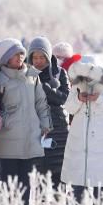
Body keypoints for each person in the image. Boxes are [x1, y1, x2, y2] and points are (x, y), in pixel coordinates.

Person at [0, 38, 51, 205]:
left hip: (31, 139)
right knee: (9, 187)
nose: (20, 57)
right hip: (8, 141)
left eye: (22, 54)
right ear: (5, 58)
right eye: (15, 55)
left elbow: (41, 103)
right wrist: (7, 120)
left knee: (26, 186)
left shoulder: (33, 76)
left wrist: (45, 125)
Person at [62, 58, 103, 204]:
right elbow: (69, 108)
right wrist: (78, 98)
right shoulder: (77, 84)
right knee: (78, 188)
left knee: (101, 190)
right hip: (79, 144)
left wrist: (99, 99)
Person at [28, 37, 70, 190]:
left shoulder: (60, 73)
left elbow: (65, 98)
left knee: (58, 175)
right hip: (35, 129)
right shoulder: (25, 74)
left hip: (58, 130)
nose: (38, 61)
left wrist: (45, 89)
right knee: (37, 174)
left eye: (42, 57)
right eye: (35, 57)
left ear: (48, 56)